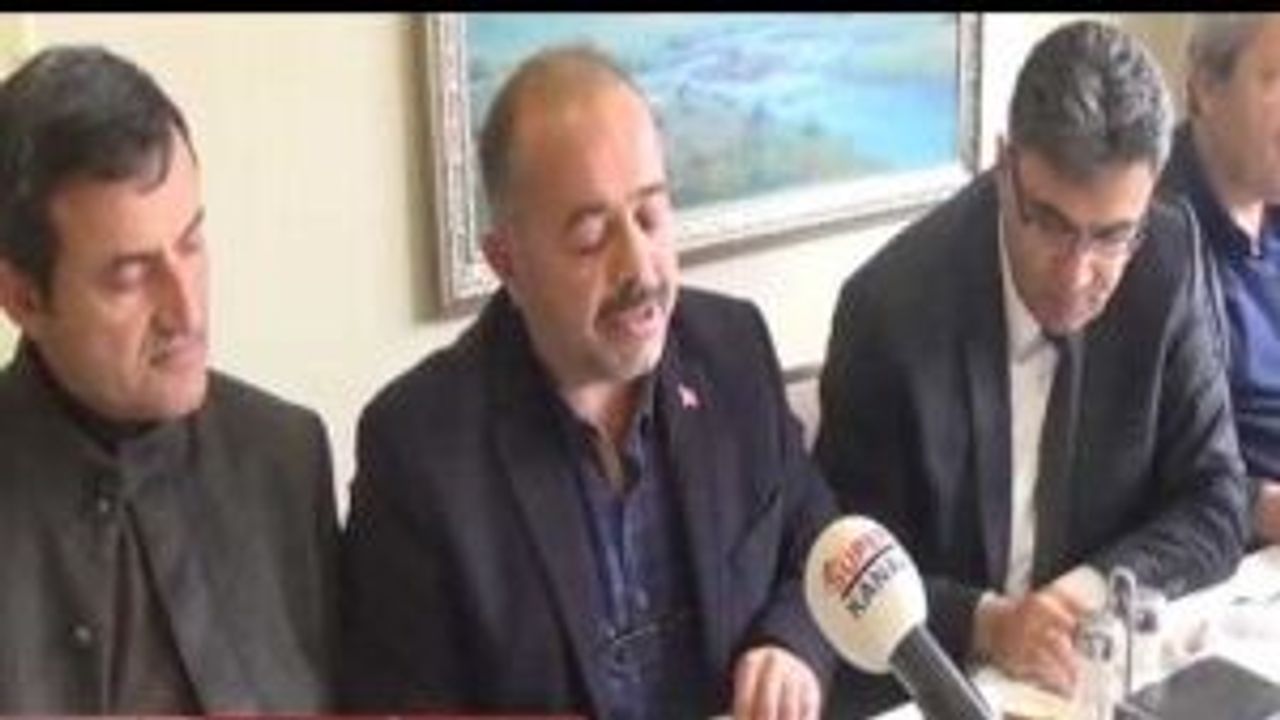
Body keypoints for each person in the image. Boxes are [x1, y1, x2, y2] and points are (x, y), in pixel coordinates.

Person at [340, 46, 837, 720]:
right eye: (592, 237)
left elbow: (816, 540)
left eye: (650, 217)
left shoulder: (731, 350)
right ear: (507, 262)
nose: (642, 269)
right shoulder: (419, 449)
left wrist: (792, 643)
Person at [815, 20, 1251, 708]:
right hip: (948, 688)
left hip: (1096, 673)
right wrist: (992, 624)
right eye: (1049, 222)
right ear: (1003, 165)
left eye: (1111, 236)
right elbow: (845, 572)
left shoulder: (1166, 260)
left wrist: (1086, 594)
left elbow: (1217, 501)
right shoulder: (890, 313)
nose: (1077, 274)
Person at [0, 46, 337, 713]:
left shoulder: (285, 457)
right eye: (130, 276)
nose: (187, 312)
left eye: (191, 243)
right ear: (24, 298)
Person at [1157, 13, 1280, 546]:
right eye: (1276, 79)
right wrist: (1259, 506)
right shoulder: (1149, 238)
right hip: (1240, 555)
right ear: (1206, 85)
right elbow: (1145, 467)